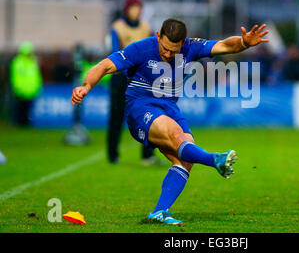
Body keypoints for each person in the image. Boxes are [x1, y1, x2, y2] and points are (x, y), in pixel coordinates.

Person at [71, 18, 269, 225]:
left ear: (182, 43)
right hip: (141, 108)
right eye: (164, 48)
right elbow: (103, 66)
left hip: (170, 109)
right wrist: (85, 87)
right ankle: (215, 160)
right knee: (177, 136)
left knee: (185, 159)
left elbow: (226, 45)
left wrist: (244, 42)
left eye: (173, 51)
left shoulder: (191, 47)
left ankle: (159, 212)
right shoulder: (140, 49)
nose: (167, 54)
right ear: (158, 36)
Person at [106, 0, 158, 165]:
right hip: (121, 79)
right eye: (133, 8)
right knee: (116, 116)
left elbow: (154, 50)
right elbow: (115, 53)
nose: (136, 12)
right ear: (126, 10)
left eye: (138, 8)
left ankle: (147, 154)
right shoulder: (118, 27)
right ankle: (113, 155)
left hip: (143, 79)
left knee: (148, 116)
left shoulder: (146, 27)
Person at [10, 41, 42, 126]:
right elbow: (16, 77)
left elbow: (36, 76)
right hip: (21, 90)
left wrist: (37, 87)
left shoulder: (33, 62)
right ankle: (18, 123)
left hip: (31, 90)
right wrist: (17, 88)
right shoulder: (18, 62)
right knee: (20, 108)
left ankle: (25, 123)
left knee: (28, 109)